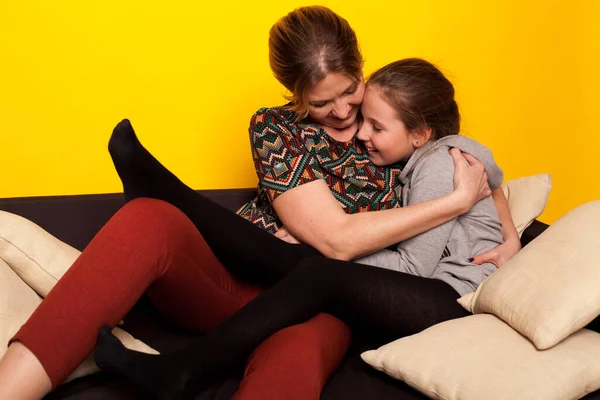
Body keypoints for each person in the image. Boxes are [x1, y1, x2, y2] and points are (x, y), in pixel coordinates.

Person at [0, 7, 515, 400]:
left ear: (363, 73)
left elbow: (467, 166)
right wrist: (459, 202)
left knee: (304, 333)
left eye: (350, 94)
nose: (342, 114)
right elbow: (447, 187)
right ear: (293, 95)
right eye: (319, 102)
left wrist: (508, 233)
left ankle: (182, 364)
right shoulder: (276, 129)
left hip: (325, 301)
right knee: (148, 217)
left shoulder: (391, 119)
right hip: (239, 283)